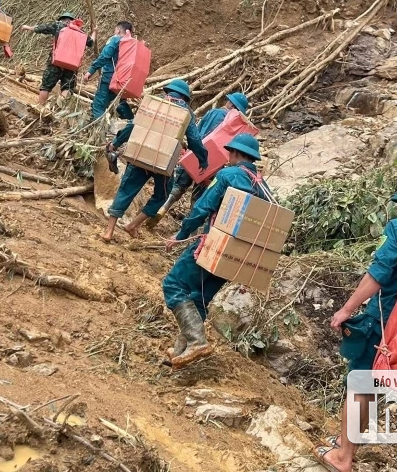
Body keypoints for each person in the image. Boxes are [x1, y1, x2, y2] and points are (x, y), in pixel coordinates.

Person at [314, 179, 397, 472]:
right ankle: (347, 444)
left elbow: (378, 275)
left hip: (381, 321)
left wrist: (346, 309)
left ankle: (342, 458)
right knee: (370, 387)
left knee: (358, 385)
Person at [162, 133, 271, 370]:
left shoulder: (227, 175)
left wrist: (180, 235)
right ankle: (181, 350)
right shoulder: (263, 186)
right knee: (199, 297)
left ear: (234, 153)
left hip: (215, 246)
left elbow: (202, 208)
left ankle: (197, 341)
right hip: (238, 258)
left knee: (173, 285)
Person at [100, 79, 208, 242]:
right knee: (161, 195)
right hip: (163, 163)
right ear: (185, 97)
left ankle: (108, 231)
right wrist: (203, 159)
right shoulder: (186, 113)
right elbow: (194, 139)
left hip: (140, 155)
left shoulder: (153, 103)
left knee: (125, 190)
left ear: (167, 91)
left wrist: (116, 143)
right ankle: (132, 225)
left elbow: (133, 126)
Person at [153, 92, 249, 222]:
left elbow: (198, 132)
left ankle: (162, 209)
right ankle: (191, 229)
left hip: (195, 154)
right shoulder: (237, 127)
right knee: (199, 197)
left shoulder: (214, 113)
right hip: (213, 165)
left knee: (178, 187)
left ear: (230, 103)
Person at [20, 12, 97, 105]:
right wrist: (94, 32)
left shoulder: (58, 26)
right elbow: (91, 43)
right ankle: (60, 109)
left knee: (46, 86)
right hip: (72, 66)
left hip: (55, 63)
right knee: (67, 88)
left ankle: (40, 108)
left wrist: (28, 27)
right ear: (73, 21)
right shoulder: (80, 32)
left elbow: (42, 28)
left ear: (62, 19)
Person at [83, 21, 135, 122]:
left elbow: (104, 57)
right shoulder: (132, 44)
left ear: (119, 30)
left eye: (115, 29)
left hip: (109, 78)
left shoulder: (115, 40)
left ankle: (99, 132)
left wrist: (91, 70)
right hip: (124, 81)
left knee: (98, 105)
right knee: (117, 104)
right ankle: (129, 126)